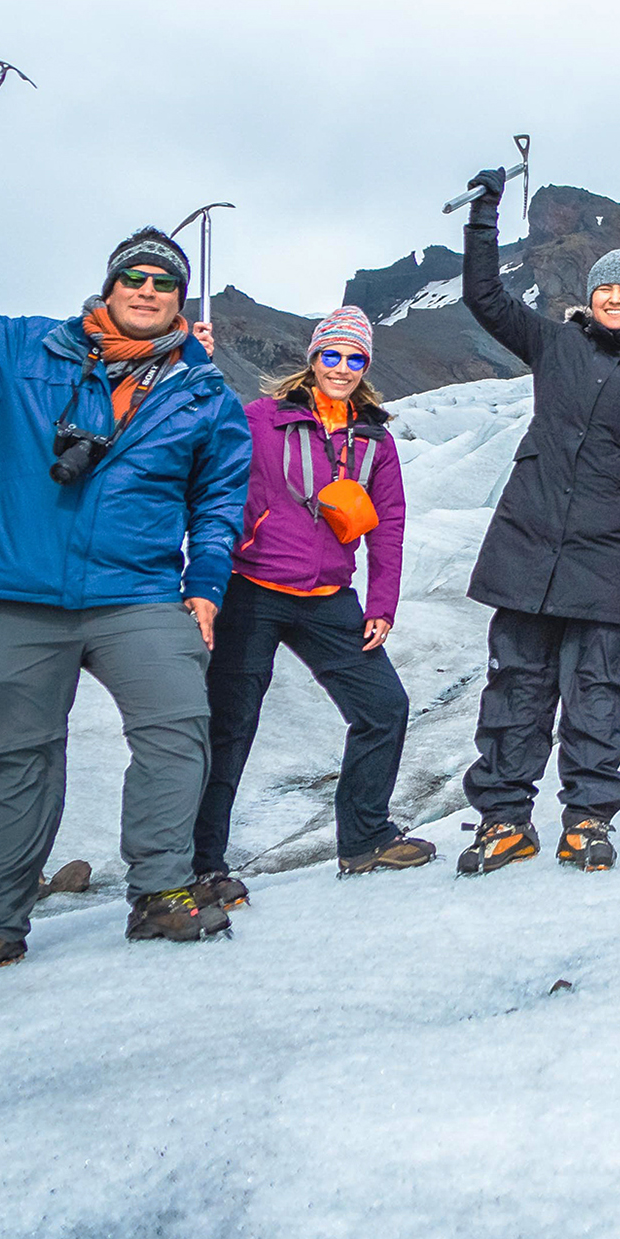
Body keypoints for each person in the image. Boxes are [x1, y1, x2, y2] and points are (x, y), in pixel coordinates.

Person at [0, 173, 251, 981]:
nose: (148, 290)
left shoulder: (204, 394)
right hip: (19, 596)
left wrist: (206, 583)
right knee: (12, 754)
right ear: (110, 285)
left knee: (178, 727)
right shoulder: (28, 351)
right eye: (135, 277)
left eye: (164, 283)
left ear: (182, 303)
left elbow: (221, 497)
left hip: (141, 594)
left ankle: (160, 889)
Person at [455, 169, 620, 876]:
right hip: (529, 546)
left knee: (596, 692)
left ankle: (588, 820)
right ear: (589, 296)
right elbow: (484, 297)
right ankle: (504, 820)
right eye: (604, 287)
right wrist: (483, 218)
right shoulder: (556, 344)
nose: (615, 296)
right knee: (515, 688)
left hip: (611, 551)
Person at [188, 305, 429, 909]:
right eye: (331, 355)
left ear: (365, 366)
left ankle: (365, 839)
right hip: (253, 589)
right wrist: (193, 364)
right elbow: (212, 467)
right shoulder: (261, 419)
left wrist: (382, 604)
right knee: (230, 725)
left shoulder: (375, 440)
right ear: (313, 358)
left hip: (329, 597)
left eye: (354, 358)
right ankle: (202, 865)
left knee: (384, 708)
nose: (342, 367)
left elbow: (390, 526)